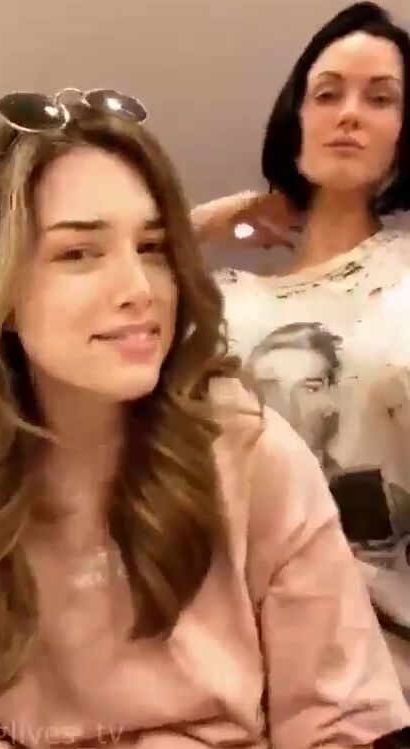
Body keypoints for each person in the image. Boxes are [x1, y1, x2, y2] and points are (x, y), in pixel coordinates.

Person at [0, 86, 408, 749]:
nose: (139, 290)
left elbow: (336, 724)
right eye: (79, 253)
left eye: (151, 247)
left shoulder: (249, 453)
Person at [193, 2, 410, 640]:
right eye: (327, 94)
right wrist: (205, 222)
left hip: (390, 655)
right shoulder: (224, 306)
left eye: (380, 98)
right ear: (297, 120)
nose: (349, 114)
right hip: (233, 649)